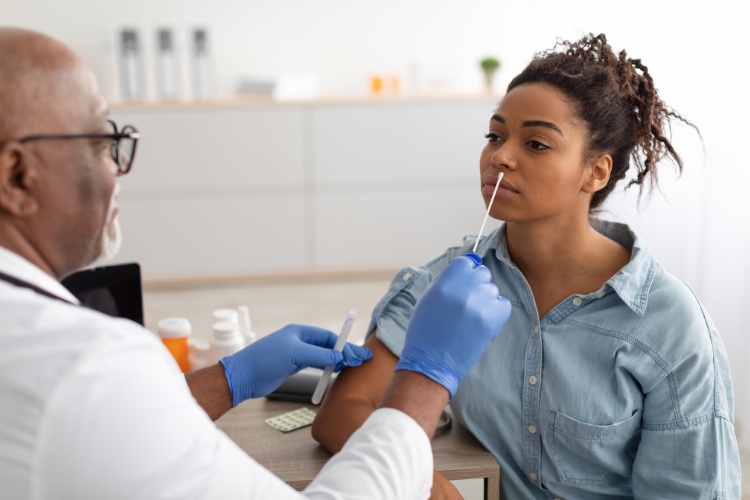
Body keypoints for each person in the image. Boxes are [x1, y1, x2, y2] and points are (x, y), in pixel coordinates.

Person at [0, 27, 513, 499]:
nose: (117, 168)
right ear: (19, 176)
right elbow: (100, 407)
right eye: (100, 140)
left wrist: (231, 377)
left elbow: (112, 432)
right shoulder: (84, 369)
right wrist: (426, 378)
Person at [312, 32, 741, 498]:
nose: (500, 156)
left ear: (595, 172)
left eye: (536, 144)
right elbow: (343, 410)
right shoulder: (445, 286)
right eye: (495, 135)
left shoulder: (669, 325)